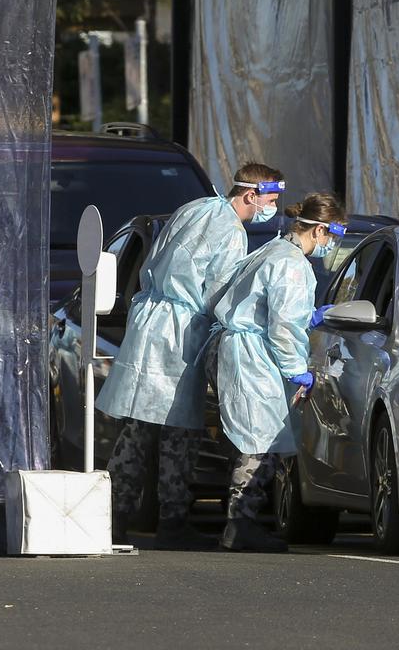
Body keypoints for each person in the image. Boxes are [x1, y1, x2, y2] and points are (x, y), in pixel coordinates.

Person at [97, 163, 285, 549]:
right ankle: (174, 520)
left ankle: (112, 518)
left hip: (149, 321)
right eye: (271, 199)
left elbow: (157, 257)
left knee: (137, 426)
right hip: (180, 333)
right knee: (178, 432)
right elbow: (221, 294)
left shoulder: (195, 208)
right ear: (250, 195)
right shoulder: (231, 232)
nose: (273, 207)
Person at [204, 192, 346, 553]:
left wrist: (308, 315)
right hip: (251, 357)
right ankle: (240, 525)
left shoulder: (273, 250)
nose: (330, 247)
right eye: (331, 239)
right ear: (318, 231)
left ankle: (240, 520)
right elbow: (284, 327)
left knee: (251, 436)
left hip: (237, 349)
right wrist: (298, 371)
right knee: (260, 438)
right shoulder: (292, 265)